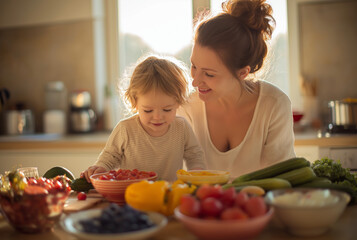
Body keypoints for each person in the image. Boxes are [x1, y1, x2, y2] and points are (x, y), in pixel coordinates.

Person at [177, 0, 296, 178]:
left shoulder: (274, 105)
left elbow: (282, 180)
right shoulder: (186, 108)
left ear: (242, 73)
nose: (195, 82)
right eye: (194, 66)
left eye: (209, 74)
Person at [82, 54, 206, 182]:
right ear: (135, 103)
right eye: (148, 110)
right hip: (131, 195)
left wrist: (197, 171)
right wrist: (100, 167)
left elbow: (194, 154)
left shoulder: (182, 126)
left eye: (167, 109)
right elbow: (110, 156)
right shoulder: (125, 129)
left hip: (168, 194)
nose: (157, 117)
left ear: (178, 103)